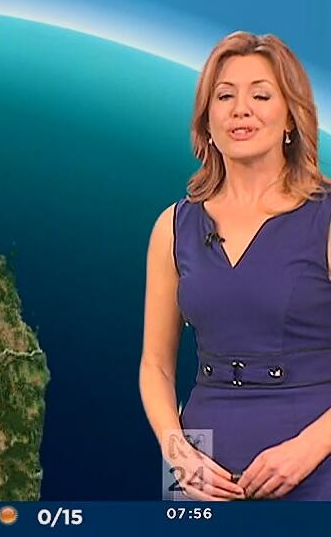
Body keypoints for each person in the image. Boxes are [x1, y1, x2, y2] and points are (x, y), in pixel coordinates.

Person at [139, 31, 331, 501]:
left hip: (315, 462)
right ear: (207, 121)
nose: (240, 109)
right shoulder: (173, 227)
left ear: (292, 118)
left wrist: (308, 449)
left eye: (260, 96)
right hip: (199, 470)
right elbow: (155, 366)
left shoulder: (325, 219)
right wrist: (178, 456)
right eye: (225, 96)